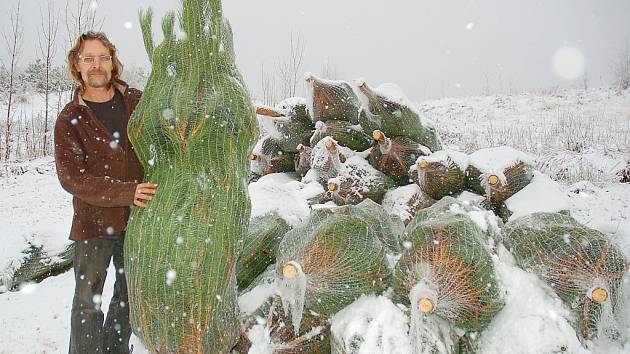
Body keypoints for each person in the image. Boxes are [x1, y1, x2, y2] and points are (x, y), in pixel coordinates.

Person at [54, 31, 156, 354]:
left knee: (128, 296)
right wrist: (128, 191)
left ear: (113, 62)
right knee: (88, 303)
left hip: (136, 221)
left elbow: (161, 131)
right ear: (77, 65)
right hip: (93, 224)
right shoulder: (70, 119)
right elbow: (73, 179)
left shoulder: (135, 102)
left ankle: (114, 349)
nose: (96, 65)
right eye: (88, 58)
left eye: (102, 57)